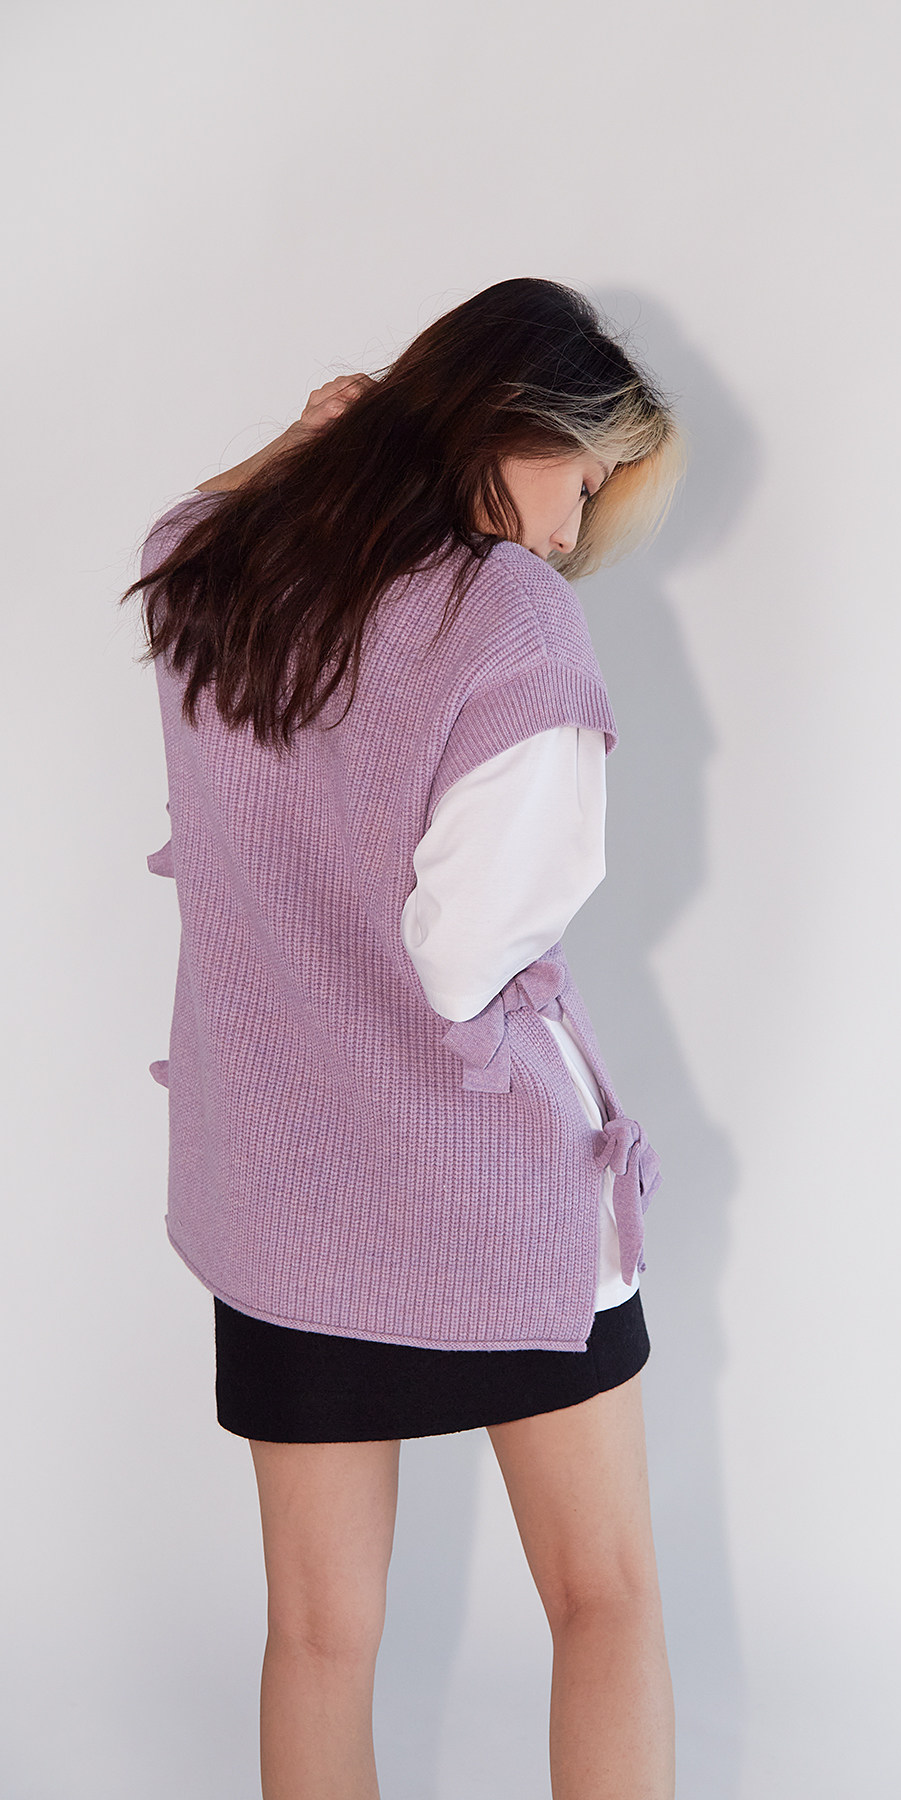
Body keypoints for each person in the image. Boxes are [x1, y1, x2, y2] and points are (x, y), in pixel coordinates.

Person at [122, 277, 685, 1800]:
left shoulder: (232, 573)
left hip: (283, 1200)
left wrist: (297, 455)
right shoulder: (510, 614)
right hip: (488, 1195)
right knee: (606, 1598)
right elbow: (464, 955)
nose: (570, 533)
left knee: (316, 1636)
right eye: (584, 484)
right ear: (517, 427)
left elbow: (173, 535)